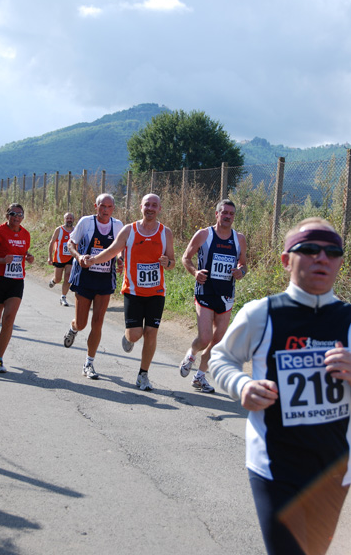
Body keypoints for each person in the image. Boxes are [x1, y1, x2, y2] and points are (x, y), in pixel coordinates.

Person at [209, 217, 351, 555]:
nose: (322, 257)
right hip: (274, 465)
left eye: (332, 251)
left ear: (340, 262)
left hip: (334, 468)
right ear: (286, 260)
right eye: (310, 249)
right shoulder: (261, 313)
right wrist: (241, 385)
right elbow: (220, 358)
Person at [83, 193, 175, 391]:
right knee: (135, 335)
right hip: (133, 291)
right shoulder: (129, 230)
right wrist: (93, 259)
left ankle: (143, 375)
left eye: (154, 205)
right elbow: (112, 251)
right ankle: (128, 337)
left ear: (159, 209)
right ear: (141, 207)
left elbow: (172, 262)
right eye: (147, 204)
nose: (150, 208)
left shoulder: (165, 232)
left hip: (157, 291)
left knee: (151, 333)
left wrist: (168, 263)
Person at [179, 199, 247, 393]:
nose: (227, 216)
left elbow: (244, 264)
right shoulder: (204, 234)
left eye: (231, 214)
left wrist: (241, 272)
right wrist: (195, 272)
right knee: (205, 337)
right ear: (217, 214)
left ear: (234, 217)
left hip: (226, 296)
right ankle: (191, 354)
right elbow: (186, 257)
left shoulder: (239, 238)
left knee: (217, 342)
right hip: (205, 292)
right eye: (224, 212)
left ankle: (200, 376)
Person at [63, 194, 124, 380]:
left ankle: (89, 363)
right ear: (96, 206)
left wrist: (120, 260)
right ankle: (73, 328)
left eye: (109, 207)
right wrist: (79, 257)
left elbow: (119, 249)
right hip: (85, 277)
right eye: (102, 206)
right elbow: (70, 243)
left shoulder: (118, 225)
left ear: (113, 208)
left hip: (105, 279)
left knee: (97, 322)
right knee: (81, 323)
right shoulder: (86, 222)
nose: (105, 210)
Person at [0, 203, 34, 373]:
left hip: (16, 281)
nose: (17, 217)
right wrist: (3, 260)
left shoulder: (26, 234)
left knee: (9, 318)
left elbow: (23, 253)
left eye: (20, 214)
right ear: (7, 216)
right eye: (13, 214)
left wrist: (28, 257)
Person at [48, 211, 75, 306]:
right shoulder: (59, 230)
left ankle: (63, 297)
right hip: (59, 258)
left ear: (73, 220)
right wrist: (49, 257)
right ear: (64, 220)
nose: (69, 220)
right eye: (67, 218)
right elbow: (51, 243)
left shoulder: (75, 230)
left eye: (71, 218)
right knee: (58, 279)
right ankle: (54, 280)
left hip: (70, 258)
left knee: (68, 277)